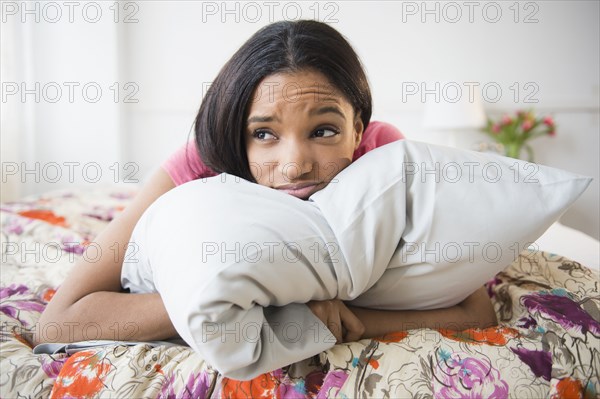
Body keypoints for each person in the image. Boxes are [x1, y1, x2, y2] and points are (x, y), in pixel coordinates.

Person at [36, 20, 496, 346]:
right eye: (263, 135)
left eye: (323, 131)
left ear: (357, 130)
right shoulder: (199, 161)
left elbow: (475, 311)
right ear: (238, 136)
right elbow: (59, 323)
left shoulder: (384, 157)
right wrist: (248, 304)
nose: (294, 166)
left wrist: (348, 318)